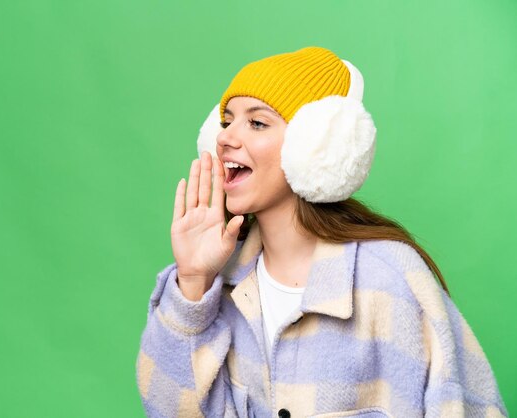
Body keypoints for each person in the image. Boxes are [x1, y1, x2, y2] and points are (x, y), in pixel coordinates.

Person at [136, 46, 507, 417]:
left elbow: (470, 406)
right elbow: (166, 408)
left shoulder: (391, 278)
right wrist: (194, 280)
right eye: (227, 121)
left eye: (257, 123)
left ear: (313, 145)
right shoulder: (222, 281)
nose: (225, 138)